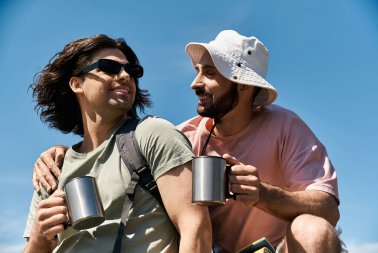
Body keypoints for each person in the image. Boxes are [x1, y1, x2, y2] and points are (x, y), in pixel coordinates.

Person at [32, 30, 341, 253]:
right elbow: (114, 147)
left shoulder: (285, 126)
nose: (195, 83)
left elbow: (328, 209)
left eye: (209, 73)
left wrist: (262, 194)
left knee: (313, 229)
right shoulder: (185, 134)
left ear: (243, 85)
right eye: (197, 72)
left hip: (275, 249)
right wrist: (61, 153)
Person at [23, 34, 211, 253]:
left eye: (132, 71)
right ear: (76, 83)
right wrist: (39, 238)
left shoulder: (152, 134)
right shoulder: (53, 169)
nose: (125, 76)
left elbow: (195, 227)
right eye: (109, 67)